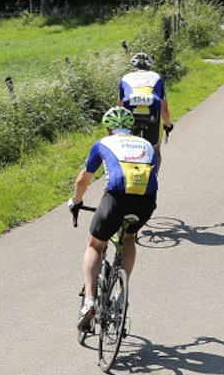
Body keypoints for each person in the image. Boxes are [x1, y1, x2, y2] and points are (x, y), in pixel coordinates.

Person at [68, 107, 159, 330]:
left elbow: (82, 180)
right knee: (128, 238)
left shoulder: (103, 143)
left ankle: (89, 302)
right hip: (146, 201)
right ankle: (120, 297)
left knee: (95, 245)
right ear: (132, 128)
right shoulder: (146, 145)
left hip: (116, 199)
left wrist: (76, 202)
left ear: (108, 129)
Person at [118, 52, 173, 167]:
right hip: (152, 112)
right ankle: (154, 174)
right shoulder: (157, 77)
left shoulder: (125, 78)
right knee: (155, 148)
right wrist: (168, 124)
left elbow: (120, 106)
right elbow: (164, 109)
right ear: (149, 67)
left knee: (127, 146)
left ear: (133, 67)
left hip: (130, 113)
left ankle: (127, 168)